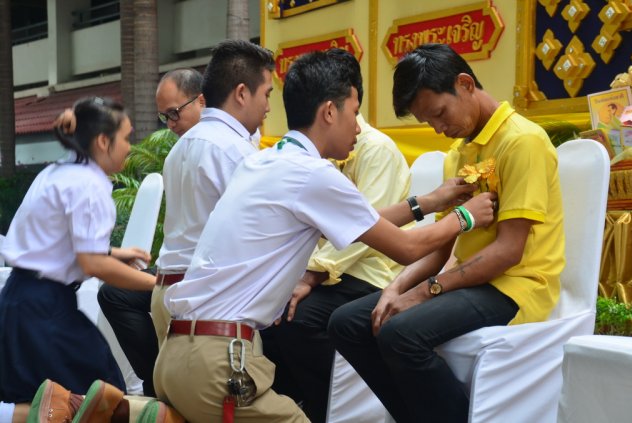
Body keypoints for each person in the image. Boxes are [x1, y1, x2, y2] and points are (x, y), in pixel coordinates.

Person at [153, 50, 496, 423]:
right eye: (354, 111)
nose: (358, 126)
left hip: (176, 353)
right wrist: (465, 216)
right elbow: (407, 247)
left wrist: (430, 202)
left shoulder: (267, 160)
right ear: (330, 112)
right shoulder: (312, 174)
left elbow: (364, 221)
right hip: (219, 362)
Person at [328, 43, 565, 423]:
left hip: (514, 287)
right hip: (469, 283)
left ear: (465, 83)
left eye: (439, 113)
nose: (439, 128)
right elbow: (442, 246)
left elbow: (508, 252)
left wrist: (424, 293)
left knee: (399, 334)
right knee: (347, 322)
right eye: (429, 122)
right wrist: (395, 288)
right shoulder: (460, 152)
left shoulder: (522, 142)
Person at [261, 48, 411, 423]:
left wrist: (311, 274)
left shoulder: (375, 149)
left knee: (302, 320)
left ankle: (330, 408)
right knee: (273, 318)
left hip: (371, 271)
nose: (356, 127)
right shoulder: (312, 155)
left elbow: (364, 232)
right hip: (333, 270)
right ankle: (296, 406)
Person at [0, 98, 157, 421]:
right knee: (103, 400)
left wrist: (115, 252)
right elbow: (93, 265)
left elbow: (54, 241)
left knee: (42, 403)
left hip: (19, 302)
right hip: (44, 310)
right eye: (126, 138)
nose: (129, 147)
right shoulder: (89, 184)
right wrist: (158, 285)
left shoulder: (60, 171)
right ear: (103, 141)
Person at [148, 39, 275, 352]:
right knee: (234, 398)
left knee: (180, 398)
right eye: (267, 94)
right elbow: (258, 232)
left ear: (202, 100)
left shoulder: (178, 152)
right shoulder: (233, 151)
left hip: (169, 292)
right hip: (205, 301)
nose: (269, 107)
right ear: (242, 93)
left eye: (175, 112)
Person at [97, 67, 206, 396]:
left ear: (201, 101)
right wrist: (158, 279)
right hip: (180, 267)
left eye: (174, 113)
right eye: (165, 117)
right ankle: (159, 380)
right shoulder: (177, 155)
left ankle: (160, 383)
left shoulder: (221, 151)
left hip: (204, 271)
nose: (170, 124)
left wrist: (161, 283)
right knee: (112, 293)